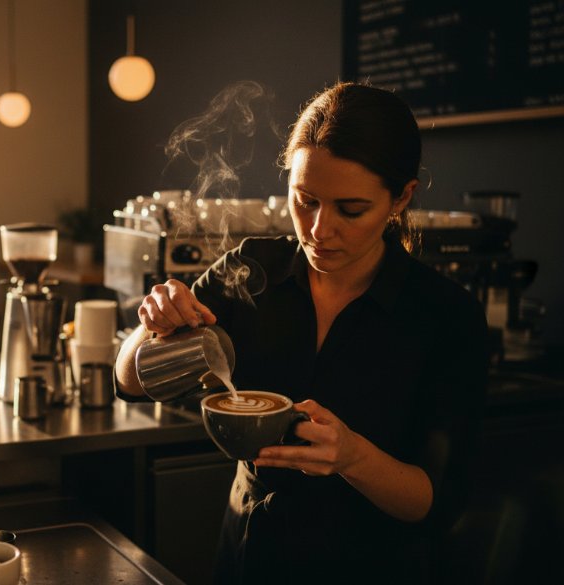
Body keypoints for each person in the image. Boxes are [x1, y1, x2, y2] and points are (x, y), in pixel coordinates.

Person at [115, 83, 488, 583]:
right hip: (249, 552)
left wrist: (353, 457)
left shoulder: (445, 315)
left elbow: (435, 502)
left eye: (350, 210)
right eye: (305, 200)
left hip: (371, 565)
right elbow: (131, 383)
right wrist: (152, 324)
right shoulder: (253, 268)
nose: (317, 229)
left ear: (401, 198)